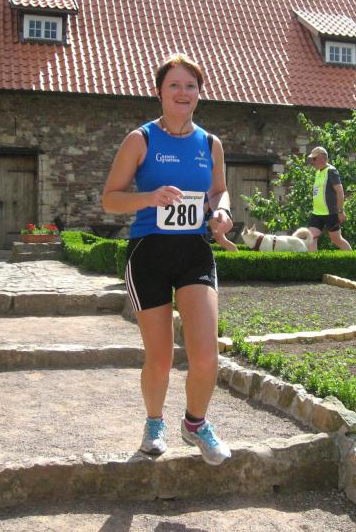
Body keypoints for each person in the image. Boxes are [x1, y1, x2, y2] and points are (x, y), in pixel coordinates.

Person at [102, 53, 232, 466]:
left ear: (199, 94)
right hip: (149, 254)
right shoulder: (140, 140)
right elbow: (110, 200)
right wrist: (149, 198)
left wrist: (222, 212)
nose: (182, 92)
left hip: (194, 251)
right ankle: (154, 423)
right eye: (174, 85)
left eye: (190, 86)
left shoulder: (210, 143)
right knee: (159, 358)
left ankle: (195, 423)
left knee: (206, 355)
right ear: (159, 92)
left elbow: (219, 191)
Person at [306, 146, 352, 252]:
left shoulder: (331, 171)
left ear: (322, 158)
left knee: (336, 240)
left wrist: (340, 211)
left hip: (331, 213)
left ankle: (353, 258)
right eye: (312, 159)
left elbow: (340, 192)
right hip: (317, 213)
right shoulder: (318, 172)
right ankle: (313, 261)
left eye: (314, 158)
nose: (312, 162)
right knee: (311, 237)